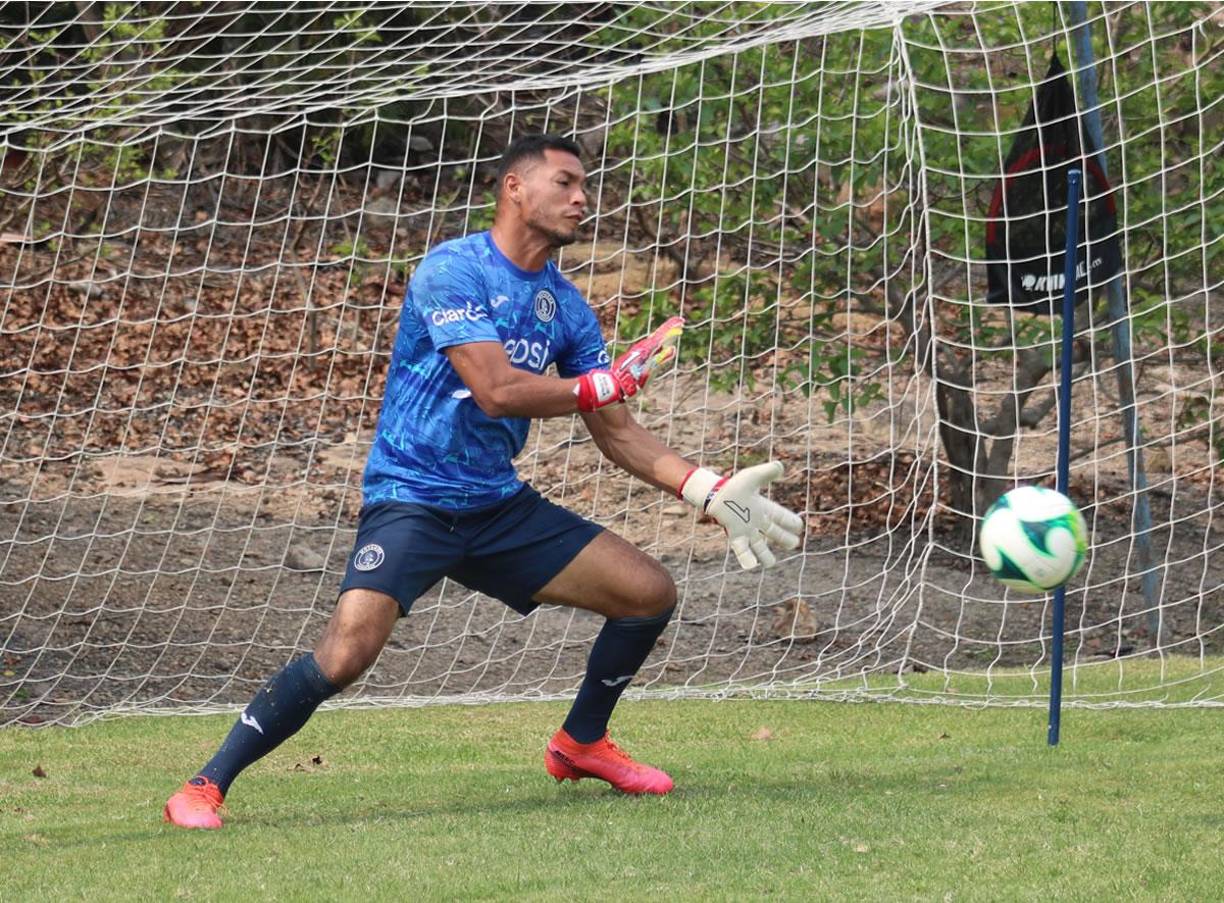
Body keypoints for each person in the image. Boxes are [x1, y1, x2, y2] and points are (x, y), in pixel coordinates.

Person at [163, 134, 803, 829]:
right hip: (413, 497)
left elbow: (615, 429)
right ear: (515, 188)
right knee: (346, 654)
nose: (582, 198)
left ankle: (580, 742)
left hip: (497, 505)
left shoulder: (567, 307)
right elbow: (496, 390)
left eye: (585, 186)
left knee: (648, 592)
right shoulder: (452, 270)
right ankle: (203, 785)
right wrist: (601, 382)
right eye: (565, 182)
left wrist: (704, 487)